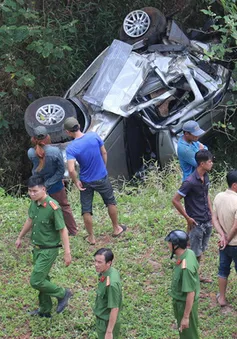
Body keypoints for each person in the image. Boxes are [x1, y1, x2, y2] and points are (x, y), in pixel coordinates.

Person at [15, 175, 73, 317]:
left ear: (43, 189)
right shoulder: (34, 203)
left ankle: (63, 293)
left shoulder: (53, 207)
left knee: (36, 280)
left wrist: (67, 252)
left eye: (35, 191)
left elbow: (63, 229)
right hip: (37, 249)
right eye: (29, 191)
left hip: (49, 250)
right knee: (43, 279)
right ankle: (45, 310)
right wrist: (20, 236)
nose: (32, 194)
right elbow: (30, 220)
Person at [64, 117, 126, 245]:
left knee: (86, 209)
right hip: (101, 177)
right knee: (110, 202)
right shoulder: (94, 136)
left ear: (68, 132)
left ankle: (91, 237)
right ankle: (116, 228)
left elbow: (71, 169)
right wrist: (103, 167)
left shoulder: (71, 148)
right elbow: (104, 152)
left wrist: (76, 182)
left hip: (86, 181)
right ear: (79, 125)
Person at [28, 125, 78, 236]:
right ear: (47, 137)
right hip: (55, 185)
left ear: (34, 139)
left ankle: (42, 230)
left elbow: (35, 170)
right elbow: (60, 171)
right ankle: (73, 230)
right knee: (64, 206)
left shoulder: (31, 152)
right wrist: (50, 183)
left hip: (39, 187)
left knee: (40, 207)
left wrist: (42, 185)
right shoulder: (55, 151)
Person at [172, 150, 213, 282]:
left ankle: (193, 273)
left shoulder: (205, 177)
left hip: (206, 220)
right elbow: (175, 200)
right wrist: (187, 217)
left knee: (199, 250)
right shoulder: (189, 182)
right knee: (195, 251)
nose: (211, 163)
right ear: (202, 164)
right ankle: (189, 276)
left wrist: (212, 214)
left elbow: (206, 195)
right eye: (209, 161)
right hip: (196, 222)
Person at [165, 230, 200, 339]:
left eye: (169, 243)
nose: (168, 245)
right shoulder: (189, 253)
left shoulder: (186, 268)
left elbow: (190, 293)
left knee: (189, 336)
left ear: (175, 246)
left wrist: (185, 317)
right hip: (182, 303)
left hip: (185, 304)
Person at [212, 170, 237, 307]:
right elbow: (236, 226)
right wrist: (227, 238)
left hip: (223, 244)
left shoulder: (219, 197)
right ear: (234, 185)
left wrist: (222, 236)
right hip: (234, 243)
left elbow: (214, 218)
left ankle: (221, 298)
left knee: (223, 271)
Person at [94, 248, 122, 339]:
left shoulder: (111, 284)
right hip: (102, 319)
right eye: (95, 261)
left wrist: (109, 332)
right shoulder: (107, 272)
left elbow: (114, 308)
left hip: (106, 322)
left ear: (109, 263)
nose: (96, 265)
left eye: (100, 262)